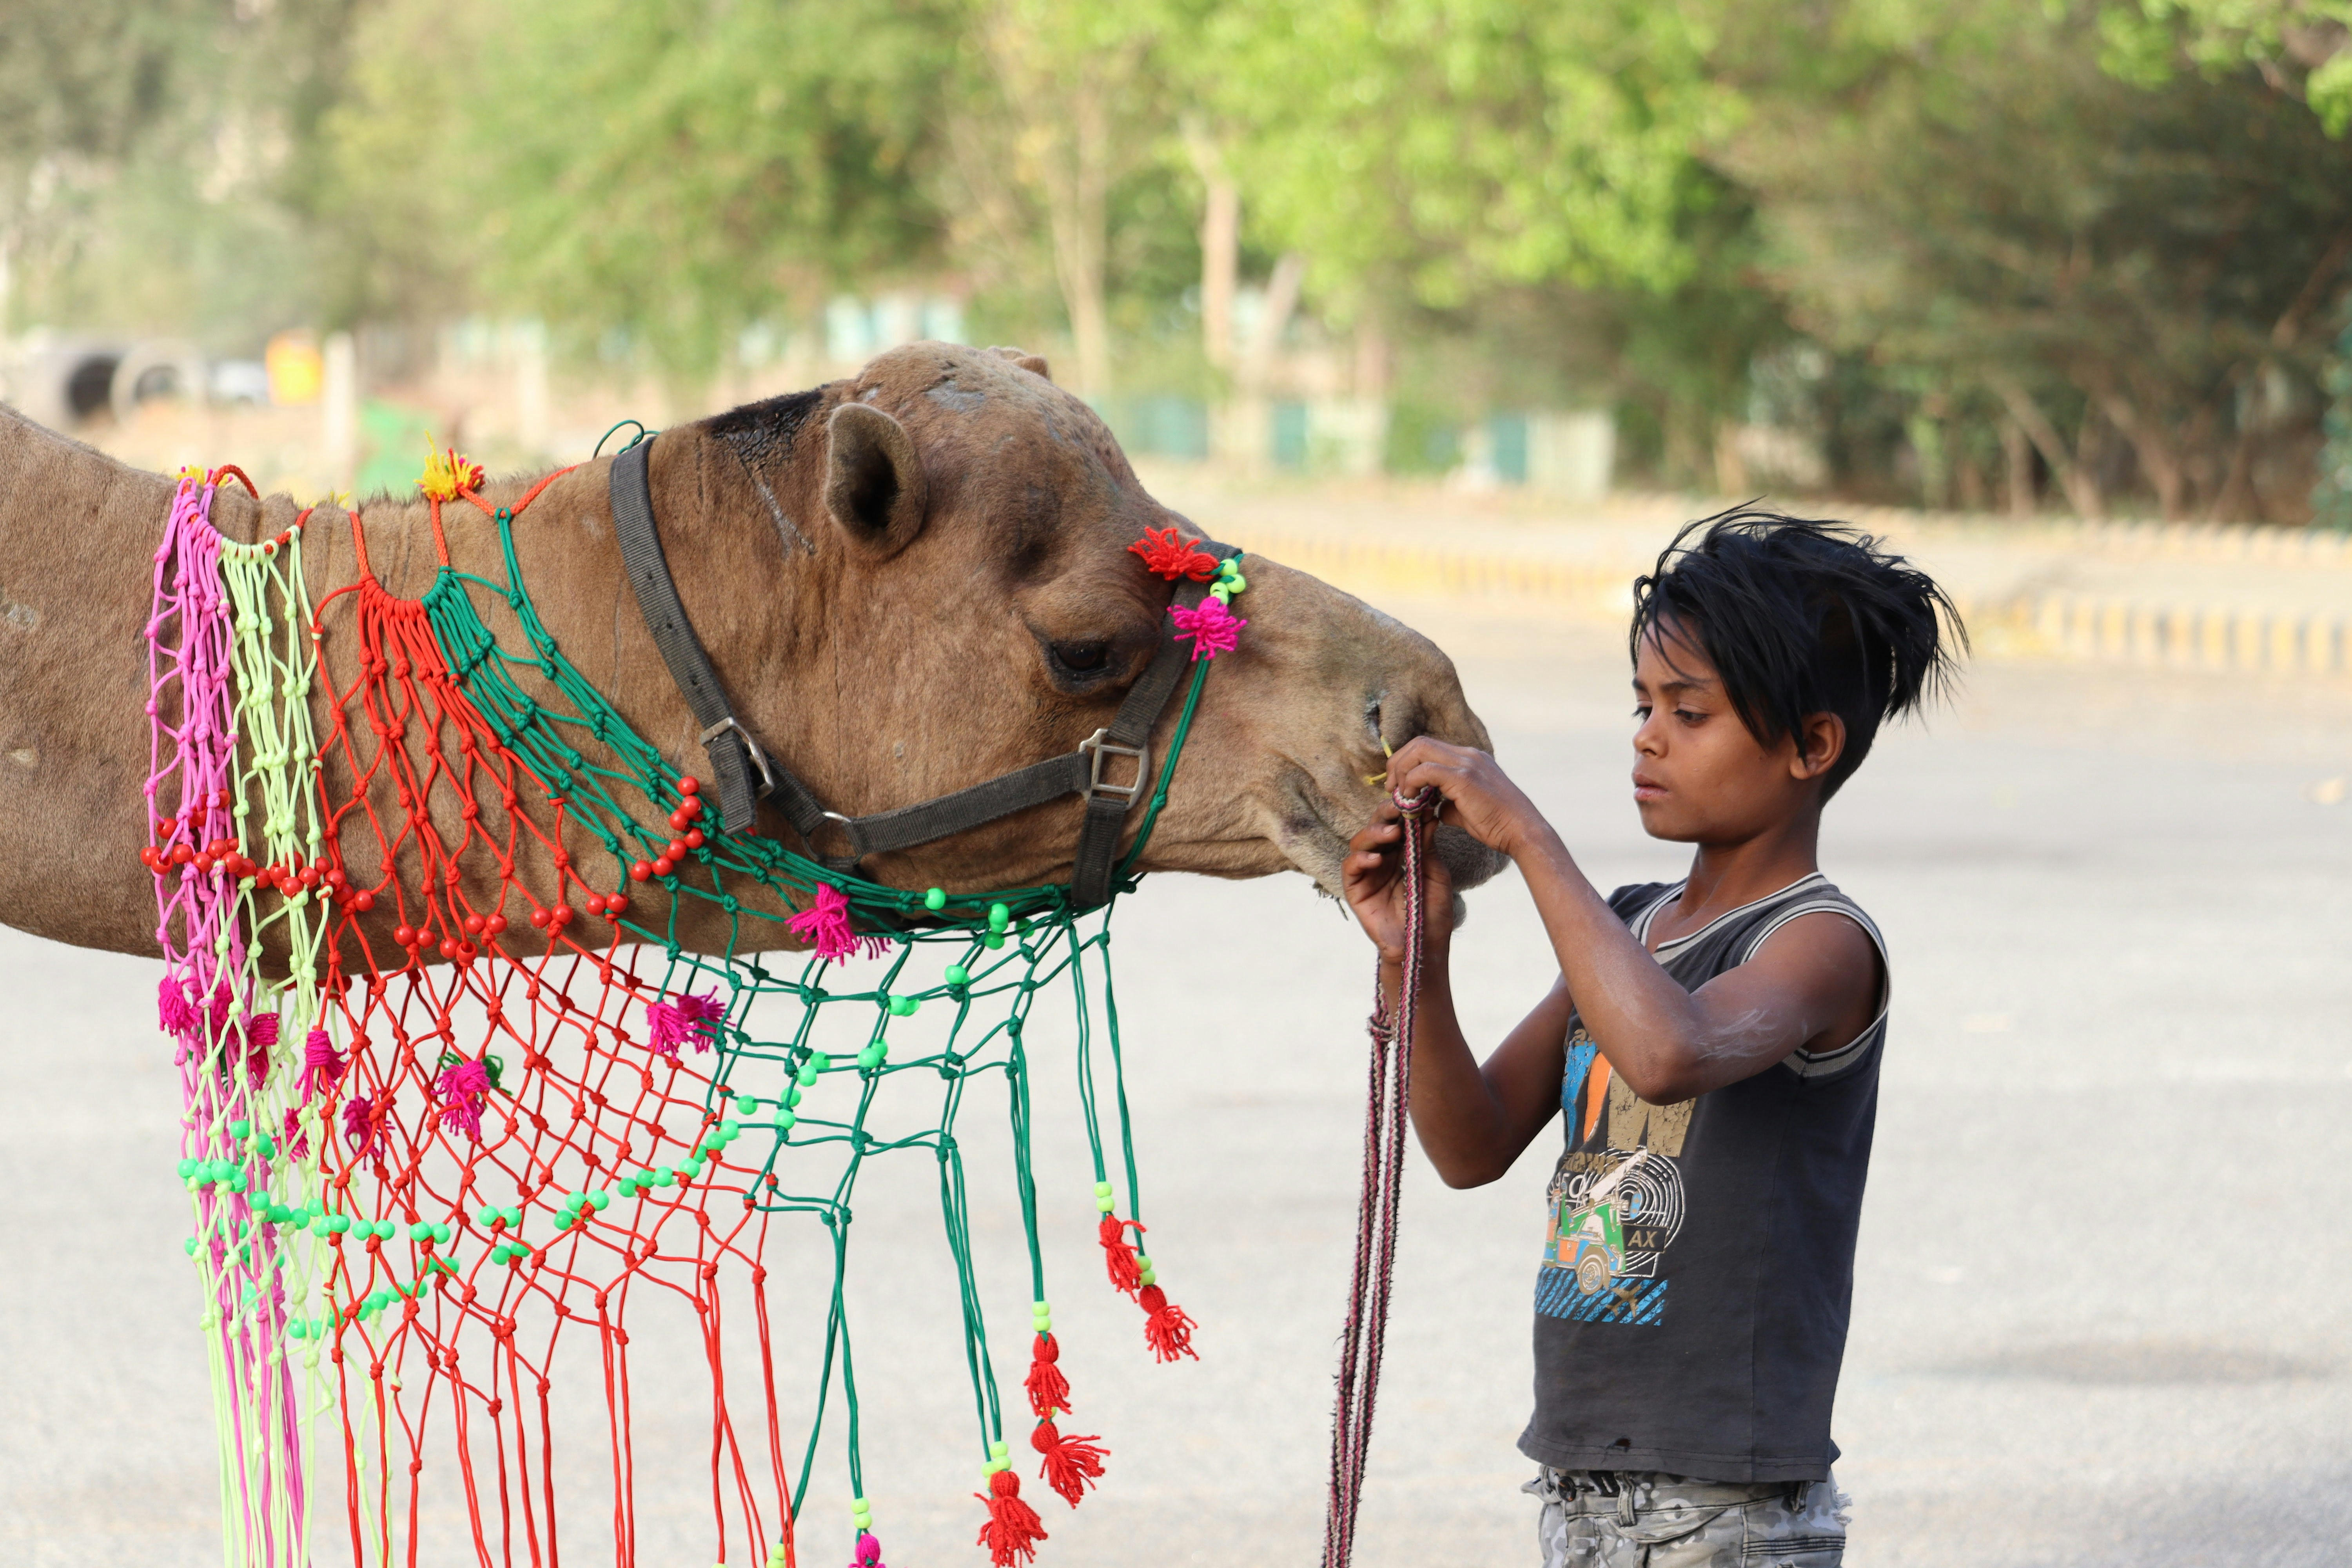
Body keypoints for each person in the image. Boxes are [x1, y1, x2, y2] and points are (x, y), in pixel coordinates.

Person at [1343, 511, 1962, 1567]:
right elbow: (1469, 1143)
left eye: (1690, 711)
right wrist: (1418, 958)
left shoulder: (1819, 943)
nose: (1648, 737)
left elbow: (1670, 1055)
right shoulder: (1631, 925)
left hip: (1726, 1509)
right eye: (1642, 705)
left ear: (1811, 746)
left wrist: (1527, 834)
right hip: (1582, 1485)